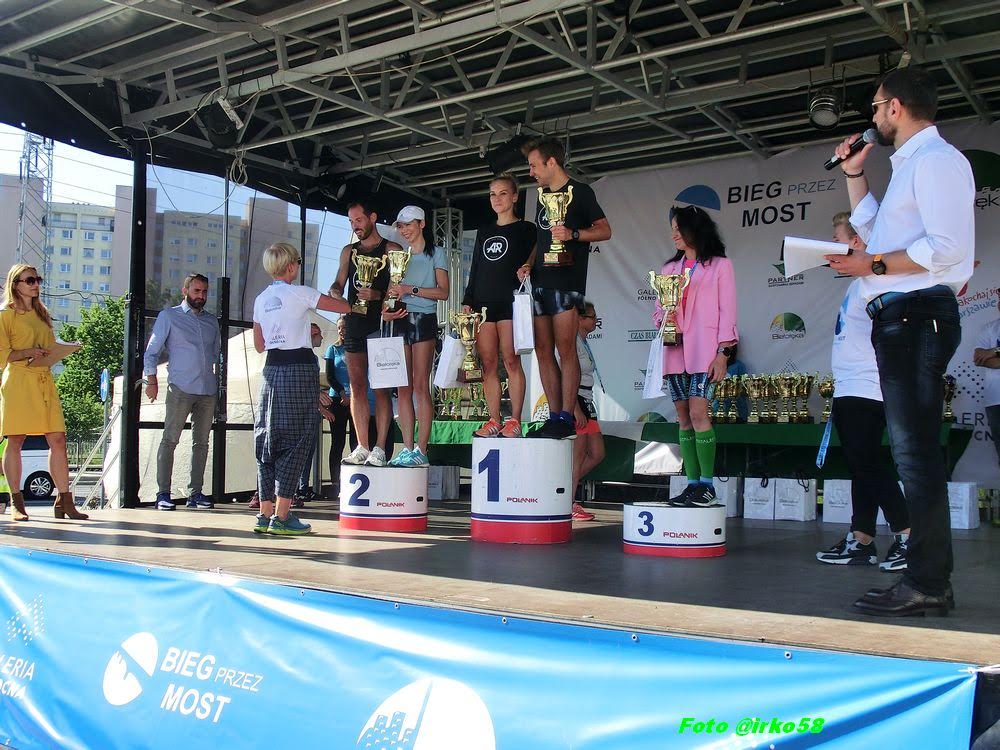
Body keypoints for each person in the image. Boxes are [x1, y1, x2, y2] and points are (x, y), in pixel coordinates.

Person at [825, 66, 974, 616]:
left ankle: (928, 580)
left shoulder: (937, 161)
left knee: (915, 455)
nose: (872, 115)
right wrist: (854, 175)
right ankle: (928, 579)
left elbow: (947, 248)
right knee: (912, 454)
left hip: (916, 314)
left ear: (895, 107)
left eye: (875, 104)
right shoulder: (911, 165)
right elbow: (880, 234)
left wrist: (872, 264)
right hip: (899, 317)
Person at [816, 212, 910, 570]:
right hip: (851, 386)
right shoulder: (857, 284)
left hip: (867, 387)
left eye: (838, 239)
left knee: (869, 464)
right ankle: (862, 539)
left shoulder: (875, 281)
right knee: (861, 465)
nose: (833, 247)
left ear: (856, 242)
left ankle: (909, 535)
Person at [251, 242, 351, 535]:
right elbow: (343, 308)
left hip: (271, 369)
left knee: (267, 436)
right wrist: (338, 293)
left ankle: (265, 513)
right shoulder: (300, 292)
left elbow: (259, 345)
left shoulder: (261, 298)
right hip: (299, 367)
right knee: (297, 437)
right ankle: (282, 516)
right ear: (291, 266)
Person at [525, 138, 612, 439]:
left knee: (566, 349)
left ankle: (566, 416)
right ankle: (553, 416)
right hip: (539, 281)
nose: (531, 172)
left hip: (567, 281)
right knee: (542, 350)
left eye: (534, 165)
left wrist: (573, 234)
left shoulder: (581, 191)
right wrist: (528, 263)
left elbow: (605, 230)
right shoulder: (541, 196)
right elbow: (541, 239)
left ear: (551, 162)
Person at [652, 205, 738, 508]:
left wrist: (723, 353)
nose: (674, 234)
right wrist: (665, 320)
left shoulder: (720, 266)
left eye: (679, 228)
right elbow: (658, 311)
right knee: (683, 418)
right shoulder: (668, 270)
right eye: (672, 229)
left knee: (700, 414)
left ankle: (707, 485)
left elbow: (728, 312)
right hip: (674, 352)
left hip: (705, 352)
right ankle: (691, 484)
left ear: (695, 230)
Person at [0, 264, 88, 522]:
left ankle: (64, 501)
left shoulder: (42, 312)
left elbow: (48, 344)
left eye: (37, 279)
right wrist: (29, 352)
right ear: (15, 284)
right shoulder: (5, 315)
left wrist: (63, 348)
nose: (36, 284)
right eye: (30, 280)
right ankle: (17, 502)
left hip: (43, 380)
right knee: (16, 440)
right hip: (18, 381)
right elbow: (2, 355)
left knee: (58, 439)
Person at [462, 174, 535, 438]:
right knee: (488, 363)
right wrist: (468, 300)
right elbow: (475, 268)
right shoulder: (484, 231)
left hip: (510, 302)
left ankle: (514, 420)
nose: (497, 199)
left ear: (514, 197)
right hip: (483, 304)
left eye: (503, 193)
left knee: (511, 360)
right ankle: (493, 419)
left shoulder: (526, 229)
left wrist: (528, 266)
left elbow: (534, 257)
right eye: (493, 194)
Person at [142, 273, 221, 511]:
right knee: (170, 440)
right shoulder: (169, 316)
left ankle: (195, 493)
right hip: (180, 388)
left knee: (202, 443)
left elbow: (216, 354)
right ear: (185, 291)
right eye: (196, 291)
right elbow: (152, 351)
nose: (201, 296)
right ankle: (163, 494)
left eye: (204, 292)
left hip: (207, 389)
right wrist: (151, 381)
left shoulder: (212, 321)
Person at [330, 200, 399, 468]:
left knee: (381, 388)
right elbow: (339, 281)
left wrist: (378, 294)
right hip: (354, 323)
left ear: (372, 217)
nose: (355, 226)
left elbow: (397, 291)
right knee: (356, 386)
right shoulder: (349, 251)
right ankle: (362, 445)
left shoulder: (391, 249)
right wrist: (335, 291)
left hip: (381, 325)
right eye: (351, 222)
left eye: (358, 220)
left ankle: (380, 447)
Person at [382, 206, 449, 467]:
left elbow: (443, 292)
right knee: (403, 387)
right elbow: (392, 292)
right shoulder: (399, 256)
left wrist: (412, 289)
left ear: (422, 224)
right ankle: (407, 448)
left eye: (409, 224)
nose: (404, 230)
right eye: (401, 226)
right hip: (400, 319)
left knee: (421, 385)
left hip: (424, 319)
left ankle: (421, 449)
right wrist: (386, 310)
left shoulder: (437, 253)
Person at [291, 322, 334, 507]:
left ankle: (302, 488)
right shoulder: (296, 354)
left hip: (310, 411)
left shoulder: (313, 358)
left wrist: (320, 407)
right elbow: (302, 384)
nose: (322, 338)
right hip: (297, 412)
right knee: (295, 450)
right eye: (318, 334)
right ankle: (291, 489)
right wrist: (319, 402)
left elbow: (311, 385)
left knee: (307, 451)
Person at [570, 301, 605, 521]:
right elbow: (565, 377)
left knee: (597, 453)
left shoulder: (583, 341)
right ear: (580, 319)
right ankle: (568, 503)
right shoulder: (570, 341)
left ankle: (560, 487)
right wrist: (575, 409)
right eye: (592, 317)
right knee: (578, 457)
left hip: (587, 400)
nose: (596, 321)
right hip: (577, 400)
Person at [973, 291, 1000, 463]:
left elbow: (989, 357)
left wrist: (994, 351)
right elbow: (979, 358)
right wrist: (992, 354)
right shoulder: (990, 328)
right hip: (995, 399)